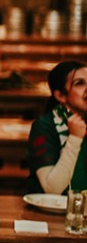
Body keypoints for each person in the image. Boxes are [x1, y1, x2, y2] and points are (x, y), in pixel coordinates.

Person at [26, 60, 87, 194]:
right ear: (60, 95)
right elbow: (52, 189)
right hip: (52, 210)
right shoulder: (44, 126)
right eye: (80, 83)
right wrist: (74, 139)